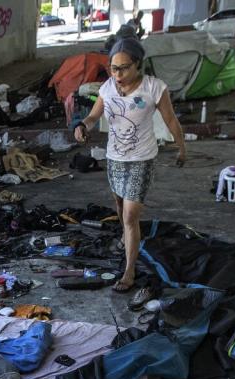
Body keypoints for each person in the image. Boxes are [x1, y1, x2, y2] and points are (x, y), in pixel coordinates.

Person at [73, 37, 185, 293]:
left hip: (142, 159)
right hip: (115, 159)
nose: (118, 74)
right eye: (113, 68)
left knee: (130, 216)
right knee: (120, 205)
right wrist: (82, 126)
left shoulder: (154, 88)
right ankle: (127, 236)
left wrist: (182, 148)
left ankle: (129, 271)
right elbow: (93, 116)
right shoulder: (107, 88)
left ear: (137, 65)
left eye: (123, 67)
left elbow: (170, 119)